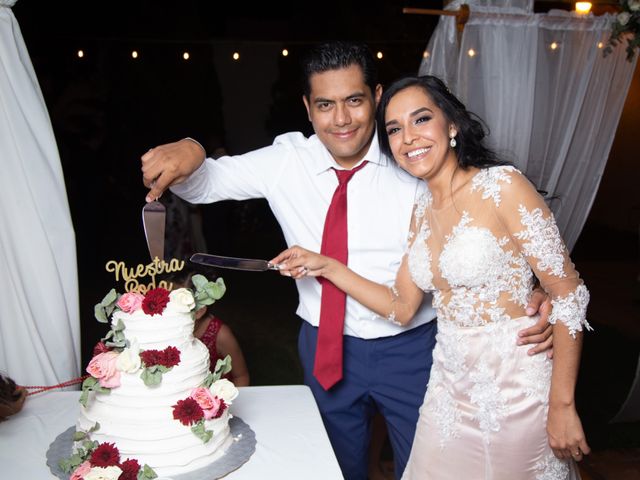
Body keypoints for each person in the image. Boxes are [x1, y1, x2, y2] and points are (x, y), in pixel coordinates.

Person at [140, 42, 552, 480]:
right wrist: (192, 148)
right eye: (325, 105)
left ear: (376, 97)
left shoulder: (410, 157)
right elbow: (205, 186)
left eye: (354, 101)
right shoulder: (287, 160)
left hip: (413, 345)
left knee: (426, 464)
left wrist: (533, 291)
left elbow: (479, 227)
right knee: (334, 465)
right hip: (325, 345)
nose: (341, 119)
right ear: (308, 107)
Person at [270, 74, 592, 479]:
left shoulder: (502, 186)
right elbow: (401, 306)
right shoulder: (422, 209)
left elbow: (568, 291)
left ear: (452, 124)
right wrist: (327, 266)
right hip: (447, 392)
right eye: (394, 129)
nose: (408, 138)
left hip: (514, 391)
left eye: (421, 120)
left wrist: (562, 406)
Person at [168, 271, 250, 387]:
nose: (168, 309)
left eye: (177, 304)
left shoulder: (221, 335)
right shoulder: (164, 328)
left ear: (199, 311)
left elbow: (241, 376)